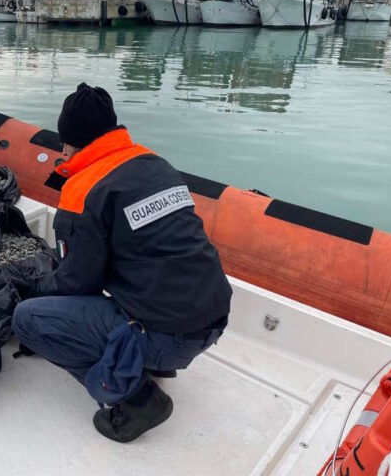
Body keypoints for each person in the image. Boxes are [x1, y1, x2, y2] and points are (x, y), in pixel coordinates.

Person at [12, 83, 232, 443]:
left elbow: (76, 283)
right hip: (212, 318)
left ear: (69, 142)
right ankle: (150, 359)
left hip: (169, 337)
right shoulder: (154, 163)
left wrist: (32, 287)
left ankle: (135, 398)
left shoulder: (84, 187)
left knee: (29, 320)